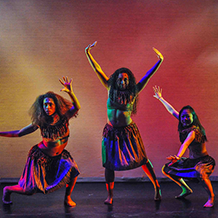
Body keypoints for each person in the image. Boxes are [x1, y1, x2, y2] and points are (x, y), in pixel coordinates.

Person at [85, 41, 164, 205]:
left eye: (126, 80)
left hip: (128, 132)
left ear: (129, 81)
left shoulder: (133, 91)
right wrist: (88, 54)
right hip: (111, 132)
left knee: (142, 159)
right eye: (120, 79)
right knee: (109, 164)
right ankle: (110, 195)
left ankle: (156, 186)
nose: (123, 82)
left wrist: (159, 61)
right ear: (116, 80)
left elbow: (147, 76)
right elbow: (97, 70)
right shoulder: (109, 87)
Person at [1, 76, 80, 207]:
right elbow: (19, 133)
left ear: (56, 105)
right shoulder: (40, 122)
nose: (47, 107)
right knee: (30, 189)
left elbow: (77, 106)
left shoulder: (64, 117)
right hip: (40, 158)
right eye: (45, 105)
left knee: (73, 170)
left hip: (59, 156)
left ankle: (67, 198)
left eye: (50, 104)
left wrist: (71, 93)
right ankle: (7, 190)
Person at [153, 86, 215, 208]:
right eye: (183, 117)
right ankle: (186, 189)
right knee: (167, 169)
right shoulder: (183, 123)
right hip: (191, 161)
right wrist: (161, 98)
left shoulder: (194, 131)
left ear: (193, 117)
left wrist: (178, 156)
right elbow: (172, 111)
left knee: (201, 174)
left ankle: (211, 197)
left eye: (188, 116)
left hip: (203, 161)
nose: (185, 118)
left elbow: (185, 143)